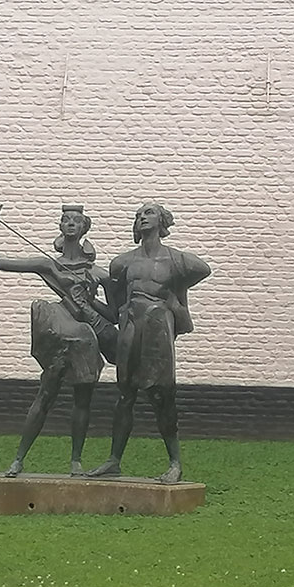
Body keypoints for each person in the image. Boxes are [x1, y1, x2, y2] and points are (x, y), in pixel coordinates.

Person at [0, 204, 117, 476]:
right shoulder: (49, 264)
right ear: (60, 227)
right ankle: (19, 459)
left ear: (84, 228)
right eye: (65, 219)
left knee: (82, 400)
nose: (70, 223)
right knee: (45, 395)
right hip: (61, 329)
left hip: (85, 337)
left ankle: (76, 461)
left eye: (76, 220)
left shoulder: (99, 273)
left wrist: (90, 300)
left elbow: (113, 315)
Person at [87, 203, 211, 483]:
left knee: (161, 395)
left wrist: (174, 302)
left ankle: (175, 462)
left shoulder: (177, 259)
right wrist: (90, 299)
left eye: (149, 213)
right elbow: (113, 310)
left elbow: (203, 269)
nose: (142, 217)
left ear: (162, 221)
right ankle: (114, 460)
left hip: (157, 326)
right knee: (125, 395)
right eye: (139, 215)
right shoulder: (122, 263)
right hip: (131, 325)